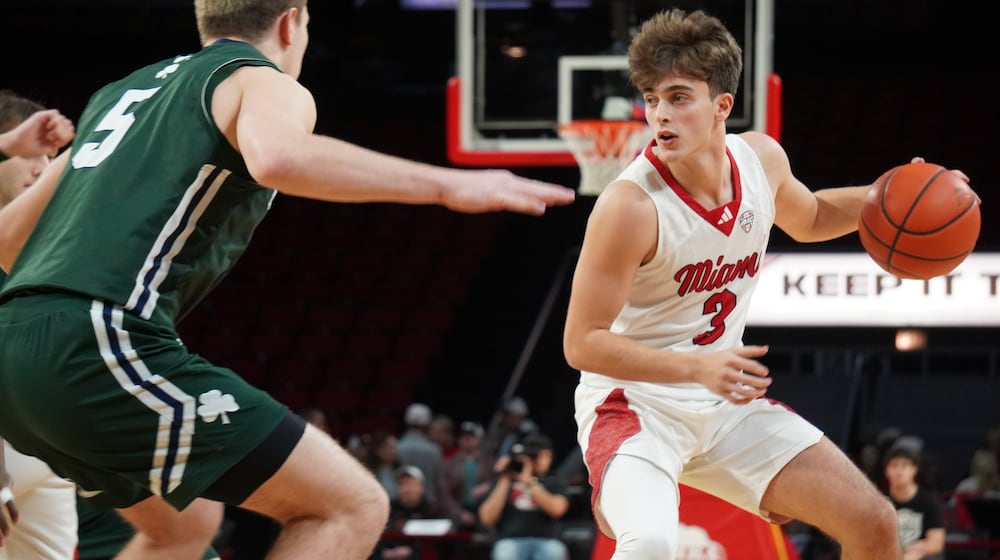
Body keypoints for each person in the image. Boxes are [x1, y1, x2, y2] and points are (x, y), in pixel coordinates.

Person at [0, 2, 575, 559]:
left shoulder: (118, 93)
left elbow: (8, 242)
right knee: (350, 507)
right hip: (95, 338)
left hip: (14, 349)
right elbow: (278, 157)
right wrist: (449, 186)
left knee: (185, 525)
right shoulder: (256, 76)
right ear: (291, 21)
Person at [561, 8, 973, 560]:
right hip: (634, 406)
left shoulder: (760, 160)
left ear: (721, 106)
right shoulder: (629, 207)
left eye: (679, 97)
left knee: (874, 523)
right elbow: (581, 342)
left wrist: (894, 194)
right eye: (653, 98)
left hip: (722, 403)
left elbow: (813, 216)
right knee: (651, 544)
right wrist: (695, 366)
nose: (660, 114)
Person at [0, 90, 77, 560]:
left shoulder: (48, 250)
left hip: (42, 450)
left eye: (48, 158)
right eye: (29, 155)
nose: (40, 168)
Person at [477, 432, 570, 560]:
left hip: (546, 540)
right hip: (510, 540)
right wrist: (505, 478)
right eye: (541, 457)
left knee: (554, 552)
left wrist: (529, 482)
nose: (545, 461)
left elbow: (557, 510)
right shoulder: (504, 481)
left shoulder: (552, 481)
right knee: (506, 553)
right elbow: (486, 518)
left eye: (547, 456)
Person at [884, 446, 946, 560]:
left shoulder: (928, 501)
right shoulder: (881, 503)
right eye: (894, 465)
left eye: (904, 465)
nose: (899, 471)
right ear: (886, 470)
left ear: (914, 470)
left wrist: (917, 550)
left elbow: (936, 542)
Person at [372, 466, 439, 560]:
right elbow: (378, 538)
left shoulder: (432, 509)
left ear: (421, 487)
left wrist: (411, 551)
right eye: (402, 484)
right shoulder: (388, 509)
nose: (407, 489)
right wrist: (387, 553)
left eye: (411, 484)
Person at [437, 421, 493, 531]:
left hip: (484, 509)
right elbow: (444, 494)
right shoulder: (449, 464)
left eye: (471, 437)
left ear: (479, 439)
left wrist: (487, 486)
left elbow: (497, 483)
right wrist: (459, 513)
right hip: (457, 511)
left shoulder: (489, 462)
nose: (467, 440)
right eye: (464, 437)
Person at [396, 403, 444, 500]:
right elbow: (438, 480)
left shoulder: (397, 447)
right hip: (428, 503)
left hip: (402, 501)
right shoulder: (435, 450)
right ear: (427, 424)